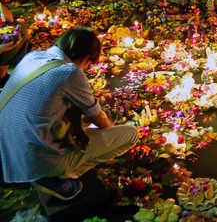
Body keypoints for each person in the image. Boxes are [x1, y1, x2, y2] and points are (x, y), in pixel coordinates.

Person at [0, 28, 139, 199]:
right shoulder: (70, 72)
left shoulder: (32, 57)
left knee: (75, 118)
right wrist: (108, 128)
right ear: (84, 59)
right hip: (34, 161)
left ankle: (50, 171)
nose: (87, 69)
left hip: (7, 153)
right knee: (130, 134)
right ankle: (58, 177)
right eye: (89, 65)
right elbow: (99, 119)